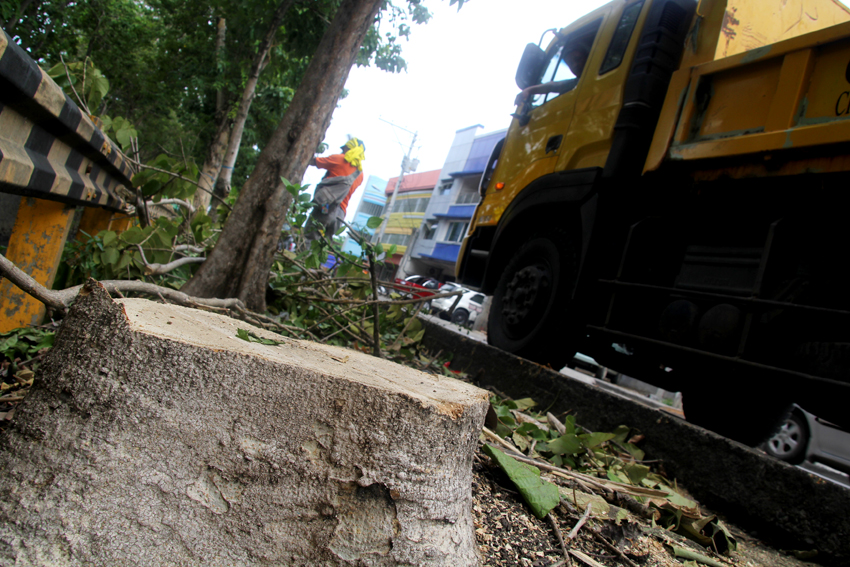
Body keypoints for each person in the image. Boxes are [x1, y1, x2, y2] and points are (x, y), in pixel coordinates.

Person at [303, 137, 366, 246]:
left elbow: (313, 161)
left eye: (344, 149)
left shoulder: (340, 159)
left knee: (311, 237)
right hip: (339, 215)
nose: (342, 151)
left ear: (348, 149)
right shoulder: (360, 174)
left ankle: (302, 261)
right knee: (322, 246)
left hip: (326, 208)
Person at [514, 46, 589, 107]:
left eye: (578, 59)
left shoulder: (591, 78)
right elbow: (554, 86)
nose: (575, 65)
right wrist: (528, 90)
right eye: (570, 63)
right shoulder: (577, 82)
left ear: (587, 57)